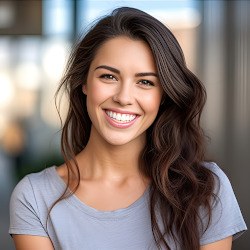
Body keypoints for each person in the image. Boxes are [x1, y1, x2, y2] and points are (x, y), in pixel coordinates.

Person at [9, 7, 247, 250]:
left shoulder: (205, 188)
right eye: (108, 77)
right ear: (84, 82)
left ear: (163, 95)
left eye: (145, 82)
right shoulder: (35, 197)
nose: (124, 97)